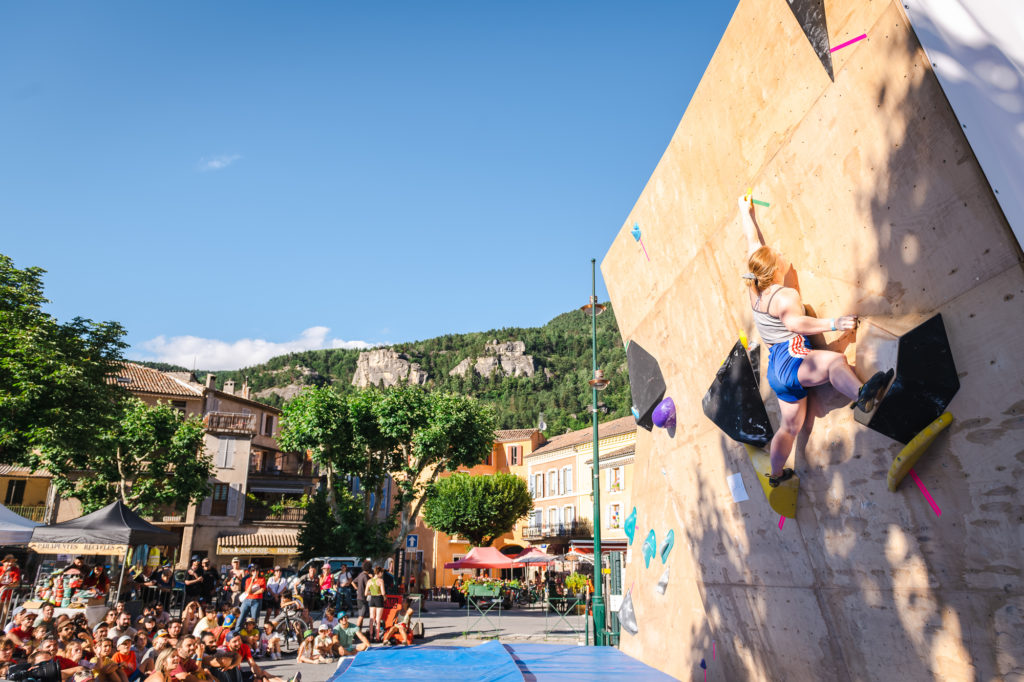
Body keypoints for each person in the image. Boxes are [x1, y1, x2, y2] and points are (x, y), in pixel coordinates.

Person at [738, 194, 893, 484]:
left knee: (790, 427)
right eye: (780, 256)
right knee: (835, 362)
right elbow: (796, 323)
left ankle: (776, 476)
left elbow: (752, 243)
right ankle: (863, 396)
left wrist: (745, 212)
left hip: (776, 371)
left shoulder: (754, 285)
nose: (784, 256)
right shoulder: (785, 296)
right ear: (774, 270)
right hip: (792, 357)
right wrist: (834, 323)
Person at [233, 568, 264, 635]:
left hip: (256, 600)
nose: (255, 572)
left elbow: (261, 590)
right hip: (247, 600)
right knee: (241, 616)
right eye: (253, 571)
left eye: (256, 570)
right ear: (250, 572)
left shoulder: (262, 579)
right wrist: (252, 581)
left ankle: (254, 633)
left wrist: (252, 593)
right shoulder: (248, 580)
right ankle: (237, 632)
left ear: (258, 571)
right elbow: (248, 591)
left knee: (254, 618)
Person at [364, 567, 385, 641]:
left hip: (372, 598)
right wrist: (384, 597)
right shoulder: (380, 581)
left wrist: (372, 593)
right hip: (379, 599)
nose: (382, 574)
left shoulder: (369, 581)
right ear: (379, 573)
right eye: (381, 573)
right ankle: (377, 637)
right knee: (378, 619)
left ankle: (370, 636)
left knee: (371, 618)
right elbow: (383, 593)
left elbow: (366, 593)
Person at [351, 564, 371, 633]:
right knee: (361, 615)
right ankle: (356, 631)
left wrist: (357, 588)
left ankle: (359, 631)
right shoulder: (366, 576)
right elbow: (369, 585)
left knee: (361, 614)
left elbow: (352, 582)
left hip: (359, 597)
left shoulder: (360, 575)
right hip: (363, 597)